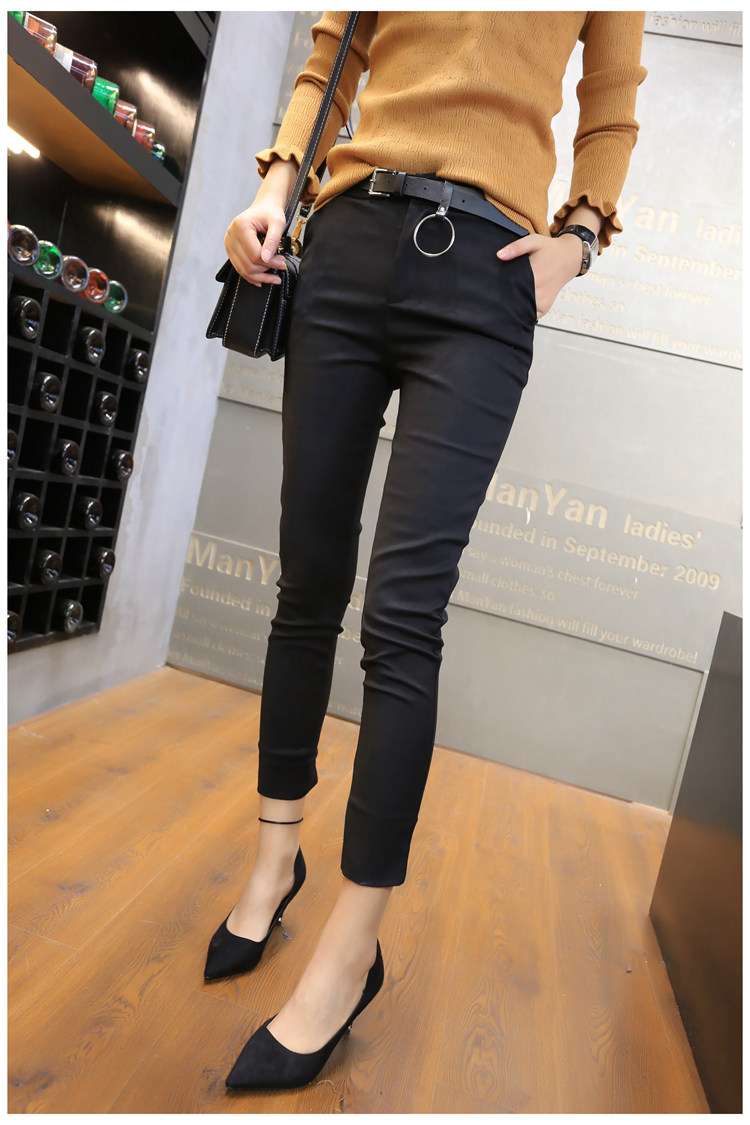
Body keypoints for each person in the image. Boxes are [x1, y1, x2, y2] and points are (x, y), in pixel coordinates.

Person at [205, 10, 647, 1092]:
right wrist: (275, 189)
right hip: (349, 241)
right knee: (307, 583)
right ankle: (273, 859)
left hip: (486, 278)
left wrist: (577, 243)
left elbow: (610, 108)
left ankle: (351, 949)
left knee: (404, 618)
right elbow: (335, 56)